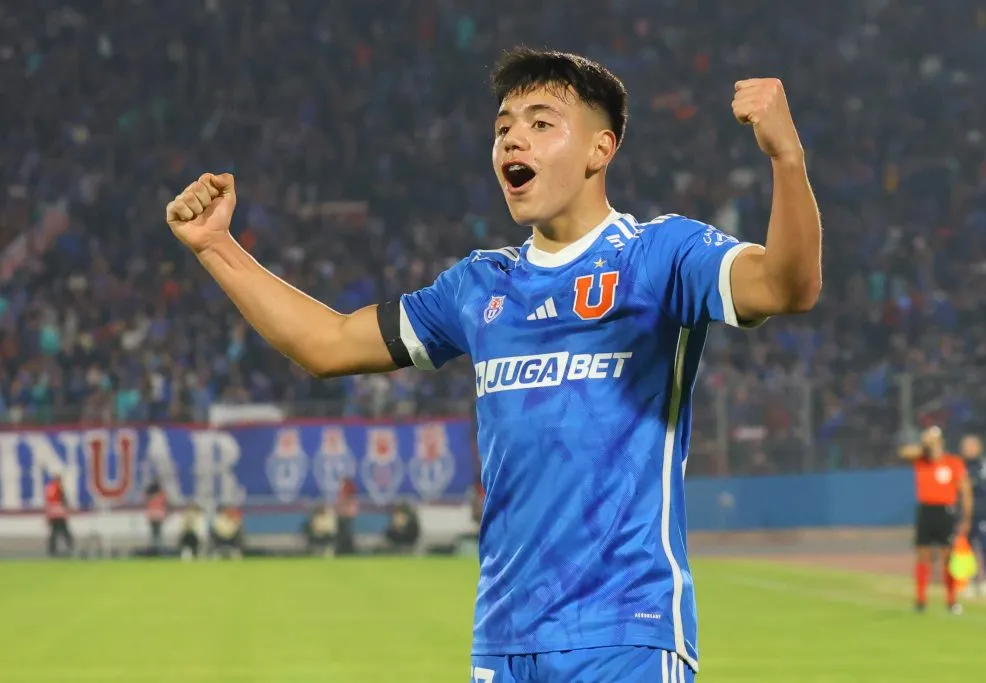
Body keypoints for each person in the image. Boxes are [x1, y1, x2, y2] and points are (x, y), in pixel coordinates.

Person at [165, 48, 821, 682]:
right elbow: (328, 343)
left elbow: (788, 287)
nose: (514, 141)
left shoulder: (657, 257)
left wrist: (786, 159)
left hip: (624, 632)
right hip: (506, 641)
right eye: (504, 128)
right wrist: (217, 246)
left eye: (541, 124)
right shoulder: (478, 287)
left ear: (601, 149)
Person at [899, 426, 973, 614]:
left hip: (945, 511)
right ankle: (921, 600)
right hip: (926, 510)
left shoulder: (953, 462)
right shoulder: (921, 460)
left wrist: (966, 516)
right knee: (923, 555)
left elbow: (965, 490)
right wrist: (924, 445)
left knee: (947, 557)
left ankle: (951, 600)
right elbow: (904, 452)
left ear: (941, 442)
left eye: (935, 440)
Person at [960, 435, 986, 595]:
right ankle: (971, 579)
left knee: (985, 545)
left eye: (972, 446)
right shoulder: (960, 465)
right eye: (967, 447)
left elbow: (983, 483)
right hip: (965, 514)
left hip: (982, 512)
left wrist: (968, 482)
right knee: (968, 547)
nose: (970, 450)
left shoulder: (985, 464)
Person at [44, 476, 74, 558]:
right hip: (59, 513)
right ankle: (70, 547)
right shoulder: (58, 487)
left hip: (52, 513)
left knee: (54, 532)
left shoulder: (50, 488)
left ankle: (52, 550)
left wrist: (47, 515)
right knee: (64, 531)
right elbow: (63, 500)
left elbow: (48, 502)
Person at [144, 480, 168, 551]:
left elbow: (146, 501)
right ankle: (159, 548)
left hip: (152, 515)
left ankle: (153, 548)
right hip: (159, 515)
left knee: (153, 533)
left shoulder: (149, 495)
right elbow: (165, 503)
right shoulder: (162, 494)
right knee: (158, 533)